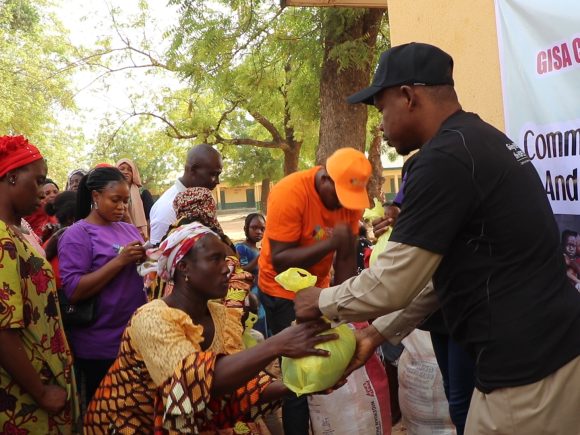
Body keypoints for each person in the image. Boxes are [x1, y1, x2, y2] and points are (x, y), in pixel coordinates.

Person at [294, 42, 580, 434]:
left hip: (528, 370)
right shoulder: (479, 139)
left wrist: (320, 301)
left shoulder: (444, 159)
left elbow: (393, 282)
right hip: (545, 353)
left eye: (381, 109)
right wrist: (376, 334)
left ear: (408, 97)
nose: (380, 125)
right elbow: (435, 277)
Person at [84, 221, 335, 433]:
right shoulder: (152, 319)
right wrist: (278, 344)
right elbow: (192, 382)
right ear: (184, 268)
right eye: (215, 259)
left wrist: (303, 386)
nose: (228, 268)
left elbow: (237, 383)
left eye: (226, 260)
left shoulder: (219, 315)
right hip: (128, 425)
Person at [258, 146, 371, 435]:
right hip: (281, 289)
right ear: (324, 178)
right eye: (340, 196)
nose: (345, 205)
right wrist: (331, 243)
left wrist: (340, 307)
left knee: (327, 363)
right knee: (299, 372)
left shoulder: (350, 199)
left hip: (318, 289)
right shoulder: (290, 192)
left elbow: (345, 257)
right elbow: (280, 258)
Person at [0, 135, 79, 433]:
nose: (44, 192)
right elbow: (3, 331)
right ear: (11, 177)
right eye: (38, 181)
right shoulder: (2, 241)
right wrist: (41, 392)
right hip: (24, 396)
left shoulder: (18, 233)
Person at [58, 167, 148, 407]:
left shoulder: (128, 229)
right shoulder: (78, 234)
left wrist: (146, 259)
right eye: (115, 200)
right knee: (106, 414)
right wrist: (120, 261)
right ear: (96, 197)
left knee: (135, 411)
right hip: (101, 345)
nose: (121, 206)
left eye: (125, 201)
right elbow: (74, 290)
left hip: (134, 338)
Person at [149, 144, 222, 245]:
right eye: (213, 174)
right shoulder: (166, 208)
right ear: (193, 170)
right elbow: (159, 255)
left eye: (218, 175)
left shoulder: (205, 197)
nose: (217, 181)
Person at [235, 213, 267, 334]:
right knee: (257, 321)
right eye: (254, 228)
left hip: (261, 292)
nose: (258, 232)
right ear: (245, 229)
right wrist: (261, 257)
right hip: (251, 294)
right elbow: (241, 270)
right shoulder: (241, 248)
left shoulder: (257, 249)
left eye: (262, 229)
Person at [116, 158, 151, 240]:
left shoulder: (143, 192)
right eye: (122, 169)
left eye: (130, 170)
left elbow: (150, 217)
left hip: (141, 235)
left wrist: (148, 236)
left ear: (133, 173)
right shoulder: (111, 193)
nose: (126, 172)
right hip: (118, 233)